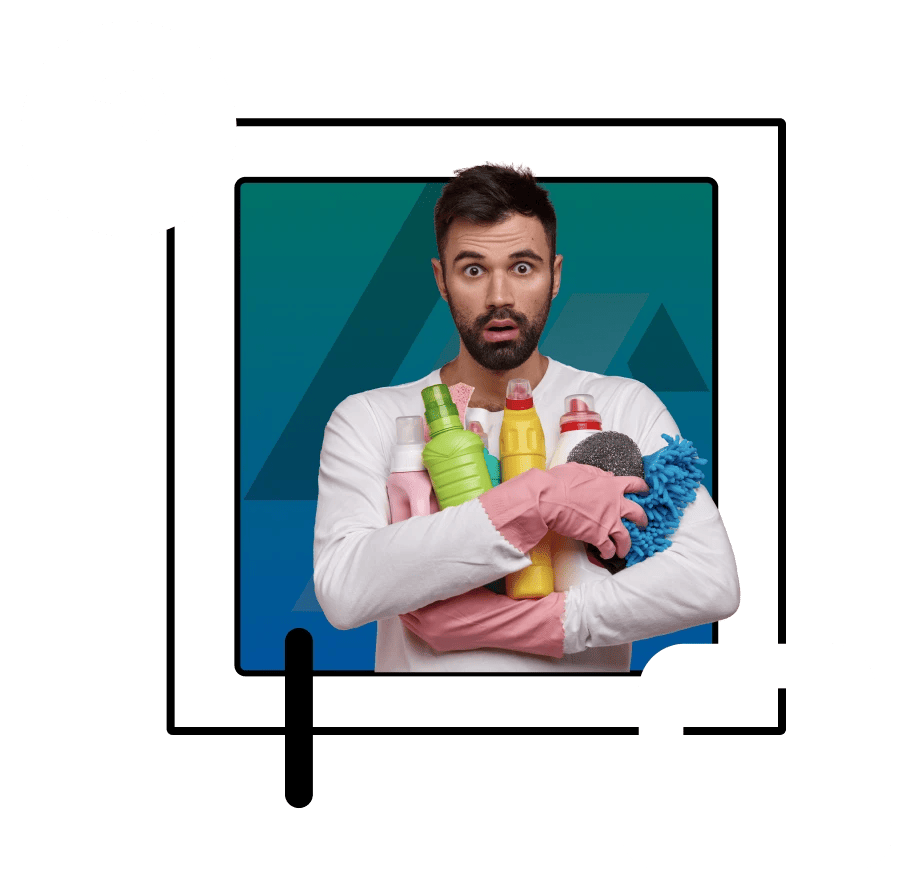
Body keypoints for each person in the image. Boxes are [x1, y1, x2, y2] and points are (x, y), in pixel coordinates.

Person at [313, 161, 740, 672]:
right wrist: (538, 501)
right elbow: (344, 591)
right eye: (473, 269)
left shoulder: (625, 406)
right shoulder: (371, 418)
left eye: (522, 267)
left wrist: (547, 623)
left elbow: (710, 580)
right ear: (441, 279)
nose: (500, 297)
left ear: (554, 275)